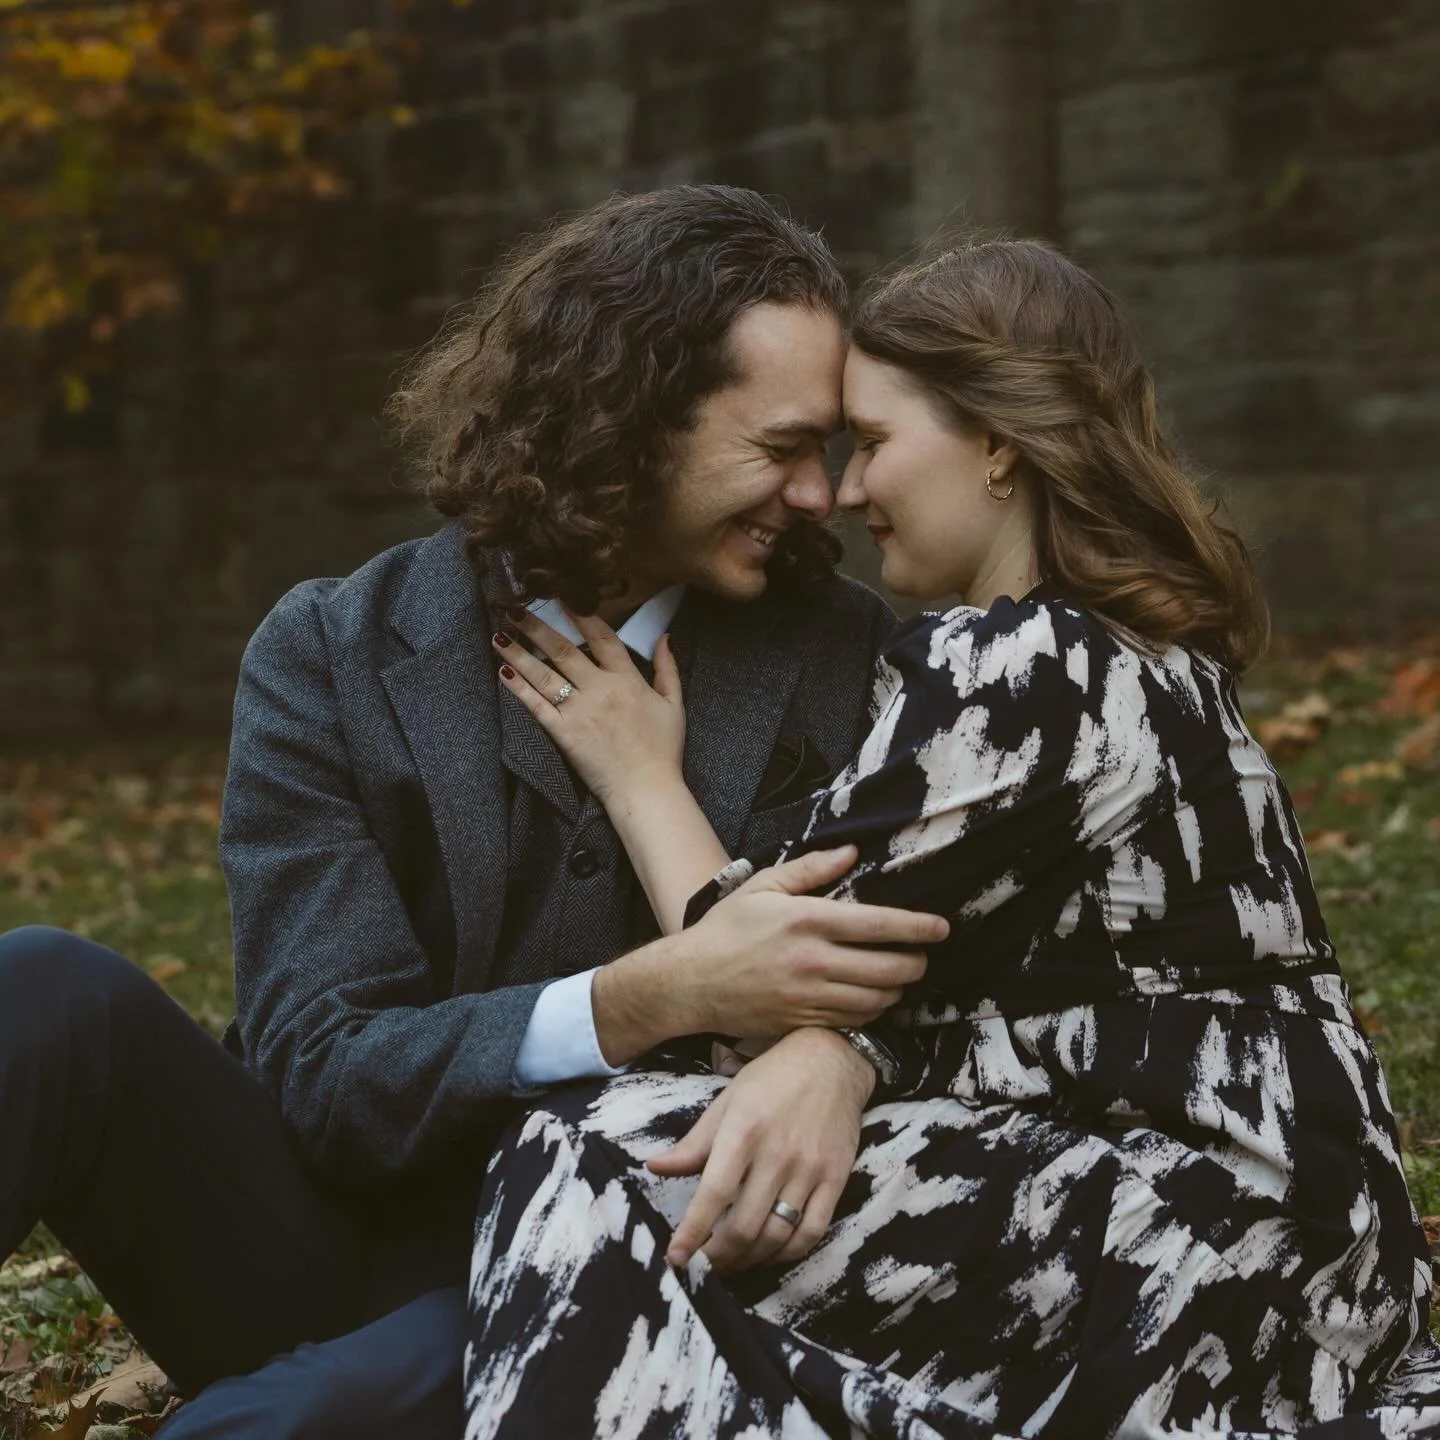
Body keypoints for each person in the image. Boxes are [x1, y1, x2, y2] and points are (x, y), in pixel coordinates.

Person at [0, 185, 947, 1437]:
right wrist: (641, 997)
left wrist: (835, 1046)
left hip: (623, 1268)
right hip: (318, 1241)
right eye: (779, 449)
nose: (820, 495)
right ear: (630, 421)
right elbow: (324, 1074)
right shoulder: (332, 653)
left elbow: (926, 990)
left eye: (826, 450)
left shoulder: (847, 658)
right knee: (48, 987)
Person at [458, 238, 1440, 1438]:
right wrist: (851, 1057)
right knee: (698, 1163)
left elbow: (761, 970)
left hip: (1207, 1246)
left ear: (997, 443)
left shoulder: (1025, 663)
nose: (847, 492)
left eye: (870, 443)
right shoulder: (1150, 661)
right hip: (1318, 1252)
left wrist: (634, 771)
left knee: (600, 1149)